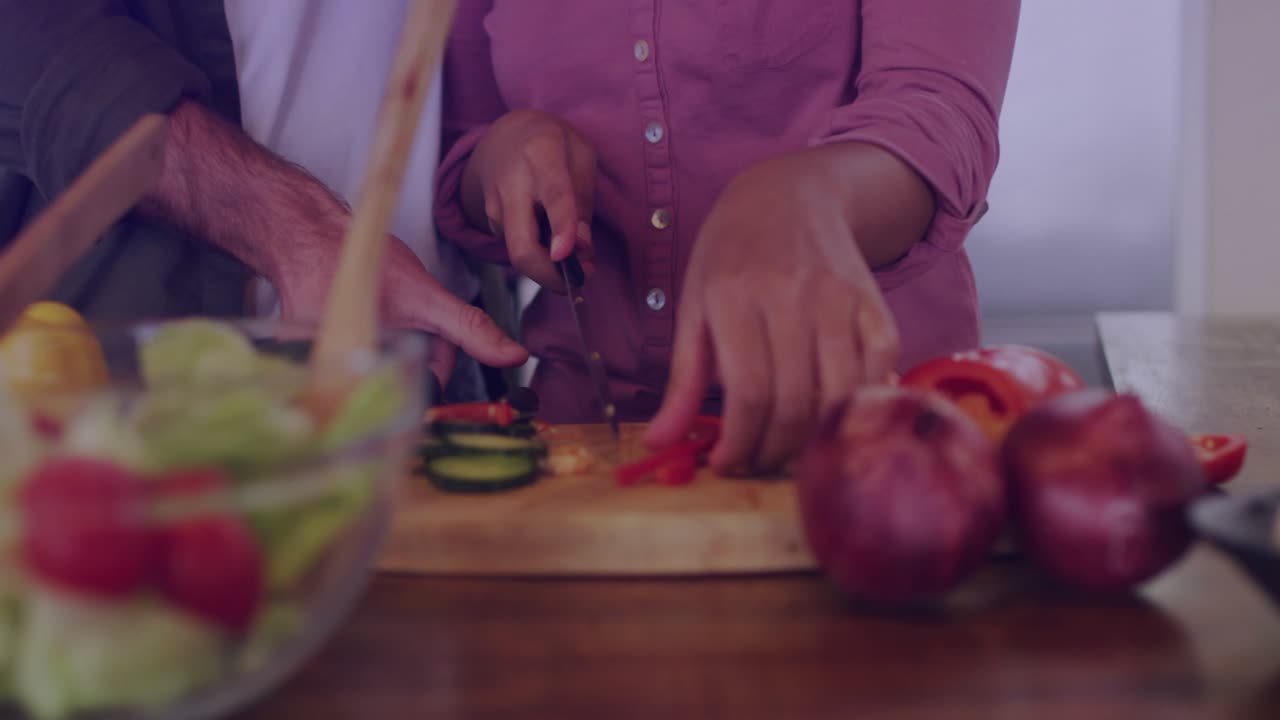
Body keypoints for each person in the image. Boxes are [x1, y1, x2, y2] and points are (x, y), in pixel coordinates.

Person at [434, 1, 1020, 473]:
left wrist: (811, 197)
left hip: (879, 441)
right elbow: (457, 154)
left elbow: (942, 120)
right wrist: (502, 154)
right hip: (580, 444)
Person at [0, 0, 528, 393]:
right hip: (134, 382)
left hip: (426, 357)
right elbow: (27, 35)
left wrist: (504, 149)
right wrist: (297, 230)